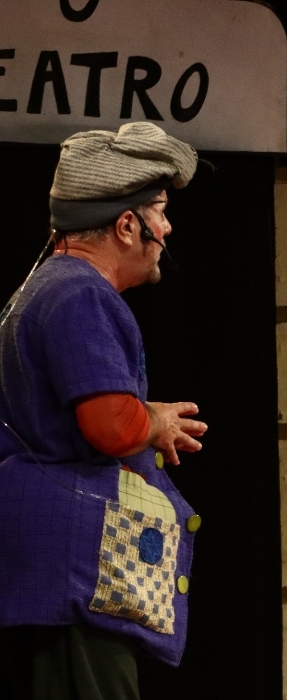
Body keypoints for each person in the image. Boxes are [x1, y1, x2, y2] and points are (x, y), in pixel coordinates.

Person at [0, 122, 208, 699]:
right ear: (127, 225)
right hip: (71, 580)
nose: (167, 228)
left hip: (47, 572)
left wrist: (143, 414)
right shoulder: (80, 293)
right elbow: (111, 427)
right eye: (160, 212)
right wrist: (153, 421)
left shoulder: (46, 288)